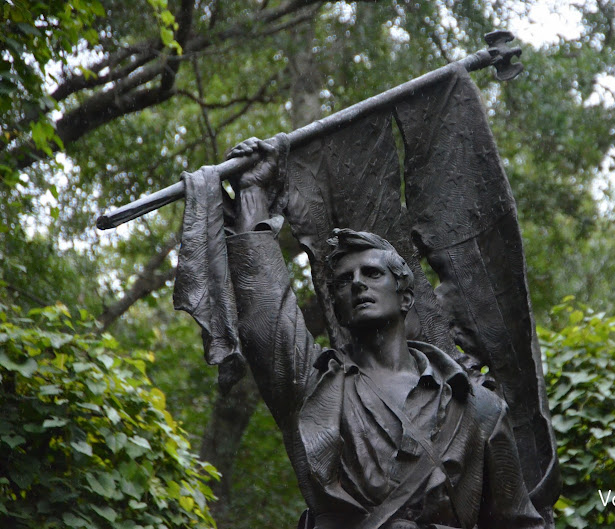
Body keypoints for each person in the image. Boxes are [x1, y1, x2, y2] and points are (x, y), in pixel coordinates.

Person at [224, 138, 545, 529]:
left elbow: (518, 523)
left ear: (405, 295)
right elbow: (266, 312)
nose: (358, 284)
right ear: (338, 308)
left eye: (373, 274)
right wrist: (253, 192)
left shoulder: (477, 407)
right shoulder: (314, 387)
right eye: (344, 281)